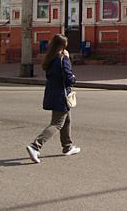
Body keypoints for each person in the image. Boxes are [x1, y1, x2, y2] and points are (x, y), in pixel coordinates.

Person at [26, 34, 80, 163]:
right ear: (62, 47)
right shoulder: (62, 59)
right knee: (56, 123)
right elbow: (68, 78)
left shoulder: (49, 58)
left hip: (52, 93)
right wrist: (73, 77)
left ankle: (67, 146)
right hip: (61, 95)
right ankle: (35, 146)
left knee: (67, 120)